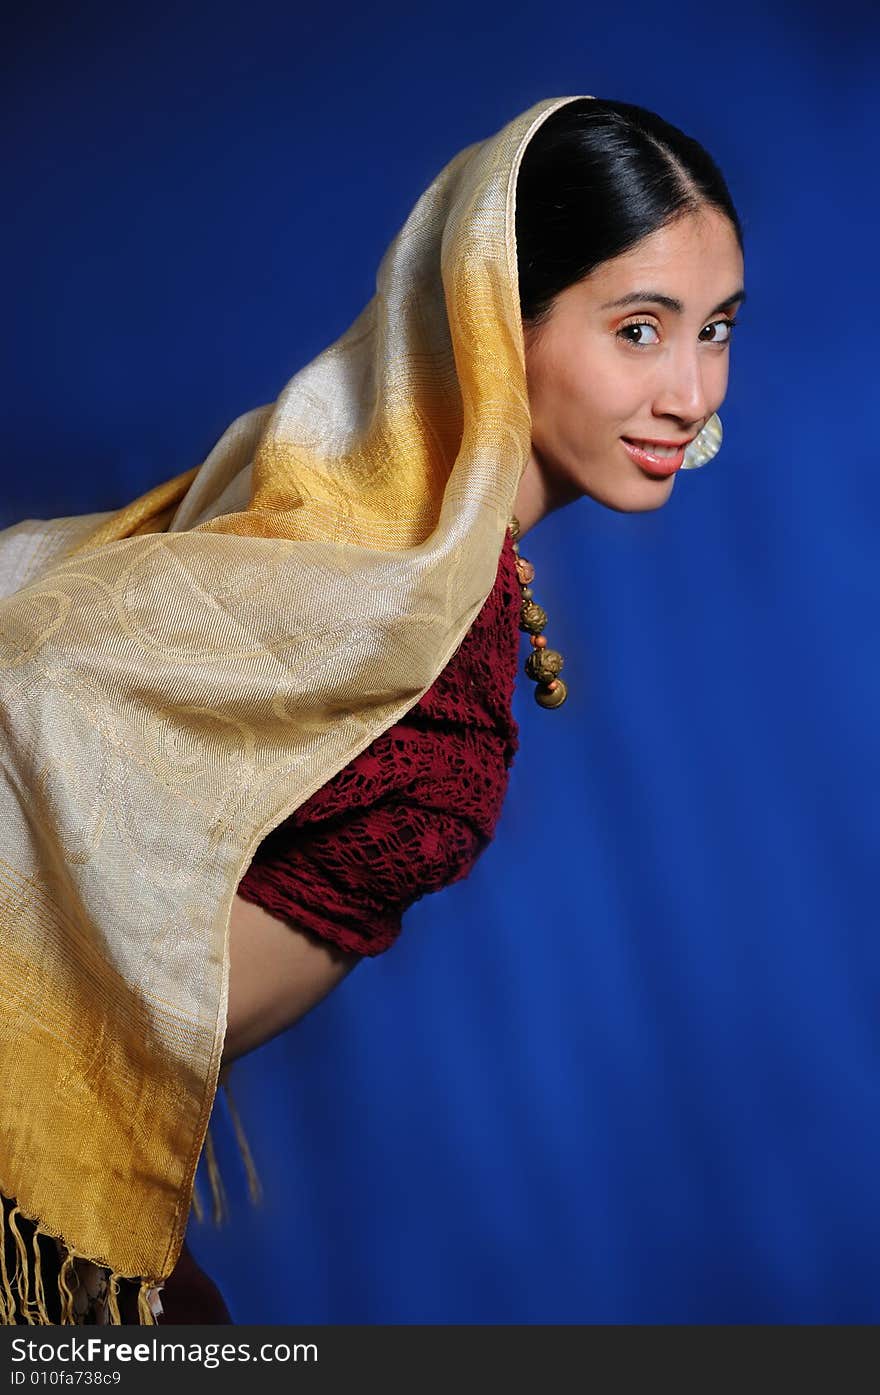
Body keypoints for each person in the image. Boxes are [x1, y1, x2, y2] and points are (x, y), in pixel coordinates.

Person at [0, 93, 744, 1324]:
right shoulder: (380, 582)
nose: (690, 390)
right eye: (639, 329)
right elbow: (48, 680)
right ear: (497, 324)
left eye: (713, 329)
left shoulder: (405, 554)